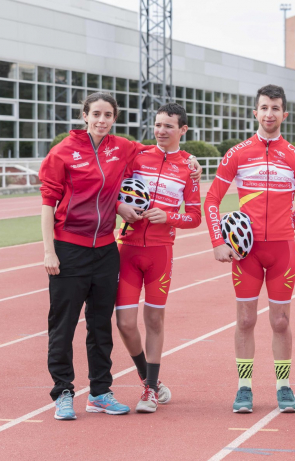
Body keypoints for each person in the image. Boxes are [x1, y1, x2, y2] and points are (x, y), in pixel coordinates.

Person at [40, 92, 201, 420]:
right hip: (85, 249)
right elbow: (53, 202)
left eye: (107, 115)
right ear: (84, 115)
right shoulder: (66, 153)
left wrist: (191, 162)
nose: (101, 120)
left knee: (102, 327)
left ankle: (105, 391)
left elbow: (167, 158)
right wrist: (49, 251)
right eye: (95, 113)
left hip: (116, 250)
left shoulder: (126, 148)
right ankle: (65, 392)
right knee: (79, 325)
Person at [204, 84, 295, 414]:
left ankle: (283, 386)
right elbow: (211, 199)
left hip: (282, 250)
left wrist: (283, 228)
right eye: (264, 107)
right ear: (255, 112)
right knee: (246, 319)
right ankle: (244, 388)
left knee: (280, 321)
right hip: (245, 254)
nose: (269, 113)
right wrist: (219, 242)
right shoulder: (237, 153)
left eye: (275, 108)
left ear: (284, 113)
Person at [114, 103, 201, 413]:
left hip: (161, 253)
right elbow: (112, 188)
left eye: (168, 126)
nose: (161, 131)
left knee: (153, 319)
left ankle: (149, 389)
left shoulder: (189, 168)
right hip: (129, 248)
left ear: (183, 130)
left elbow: (195, 217)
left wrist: (168, 217)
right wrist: (120, 208)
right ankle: (147, 379)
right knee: (124, 323)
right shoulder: (137, 157)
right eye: (158, 125)